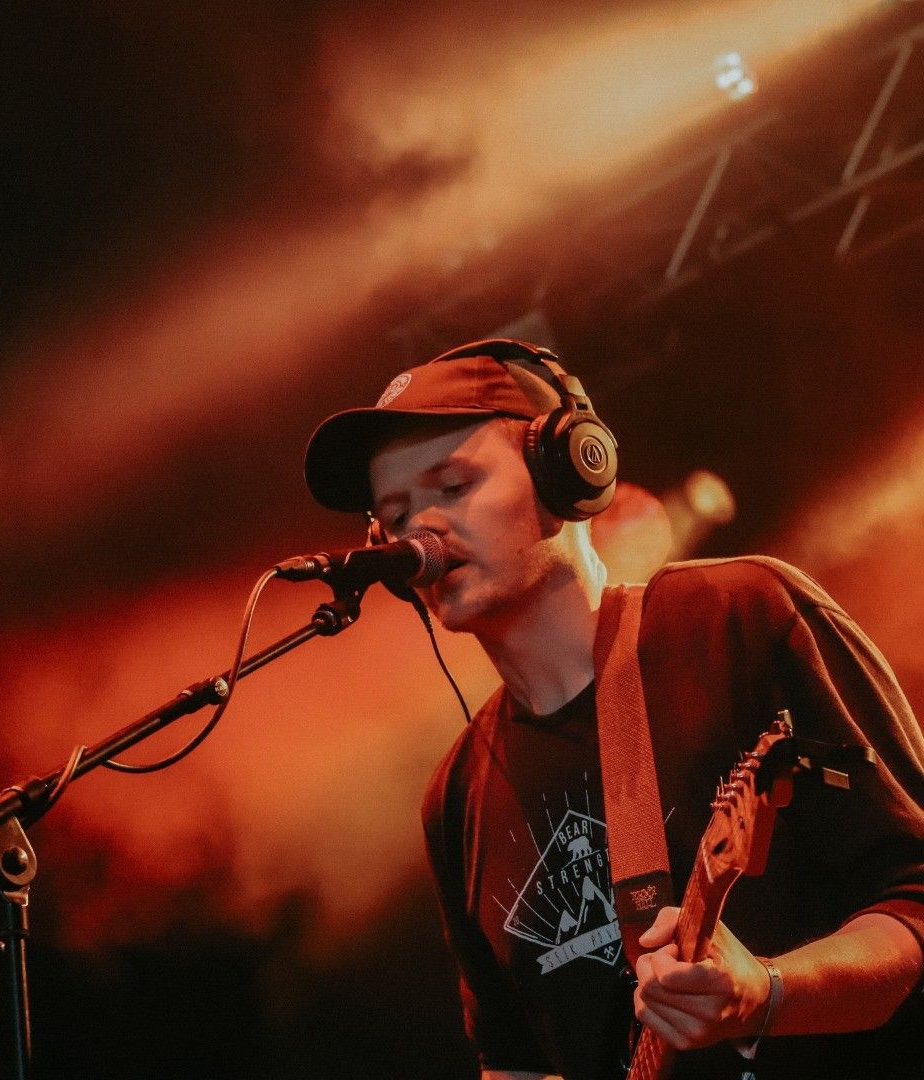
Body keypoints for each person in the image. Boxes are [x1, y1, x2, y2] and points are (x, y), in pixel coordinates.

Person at [302, 339, 924, 1080]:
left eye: (453, 485)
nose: (418, 533)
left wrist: (767, 993)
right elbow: (515, 1059)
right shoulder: (457, 794)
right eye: (395, 513)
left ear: (567, 470)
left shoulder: (737, 617)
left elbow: (914, 894)